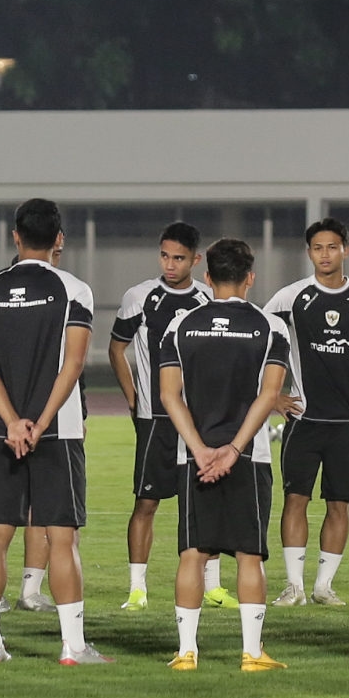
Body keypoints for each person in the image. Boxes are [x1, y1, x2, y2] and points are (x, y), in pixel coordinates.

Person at [0, 198, 106, 666]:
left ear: (15, 237)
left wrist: (10, 421)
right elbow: (74, 363)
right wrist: (41, 423)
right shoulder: (74, 290)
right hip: (57, 433)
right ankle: (73, 646)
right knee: (61, 538)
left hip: (4, 434)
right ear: (59, 239)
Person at [154, 236, 294, 670]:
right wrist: (233, 449)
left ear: (207, 276)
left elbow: (169, 395)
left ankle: (186, 652)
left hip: (193, 460)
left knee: (193, 553)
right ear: (250, 277)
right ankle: (251, 652)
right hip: (250, 458)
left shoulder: (180, 326)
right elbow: (269, 395)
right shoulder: (270, 327)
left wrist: (199, 450)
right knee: (250, 554)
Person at [266, 220, 349, 609]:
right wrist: (273, 397)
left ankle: (323, 586)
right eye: (318, 248)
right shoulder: (290, 297)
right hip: (304, 420)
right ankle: (293, 587)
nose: (325, 254)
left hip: (348, 424)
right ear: (309, 253)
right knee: (295, 499)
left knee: (340, 505)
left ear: (345, 250)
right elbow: (257, 338)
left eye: (332, 247)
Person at [110, 223, 210, 610]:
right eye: (165, 256)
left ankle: (213, 588)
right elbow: (116, 349)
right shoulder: (140, 297)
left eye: (179, 258)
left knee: (204, 504)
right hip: (155, 418)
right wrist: (133, 398)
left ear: (195, 260)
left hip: (199, 420)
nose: (170, 264)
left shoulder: (207, 299)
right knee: (146, 503)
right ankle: (137, 589)